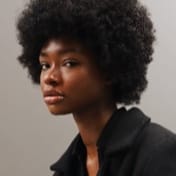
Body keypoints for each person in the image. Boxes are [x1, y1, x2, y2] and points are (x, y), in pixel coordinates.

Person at [16, 0, 176, 175]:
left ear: (108, 70)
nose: (49, 78)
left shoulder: (157, 152)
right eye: (45, 65)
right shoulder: (67, 170)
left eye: (69, 63)